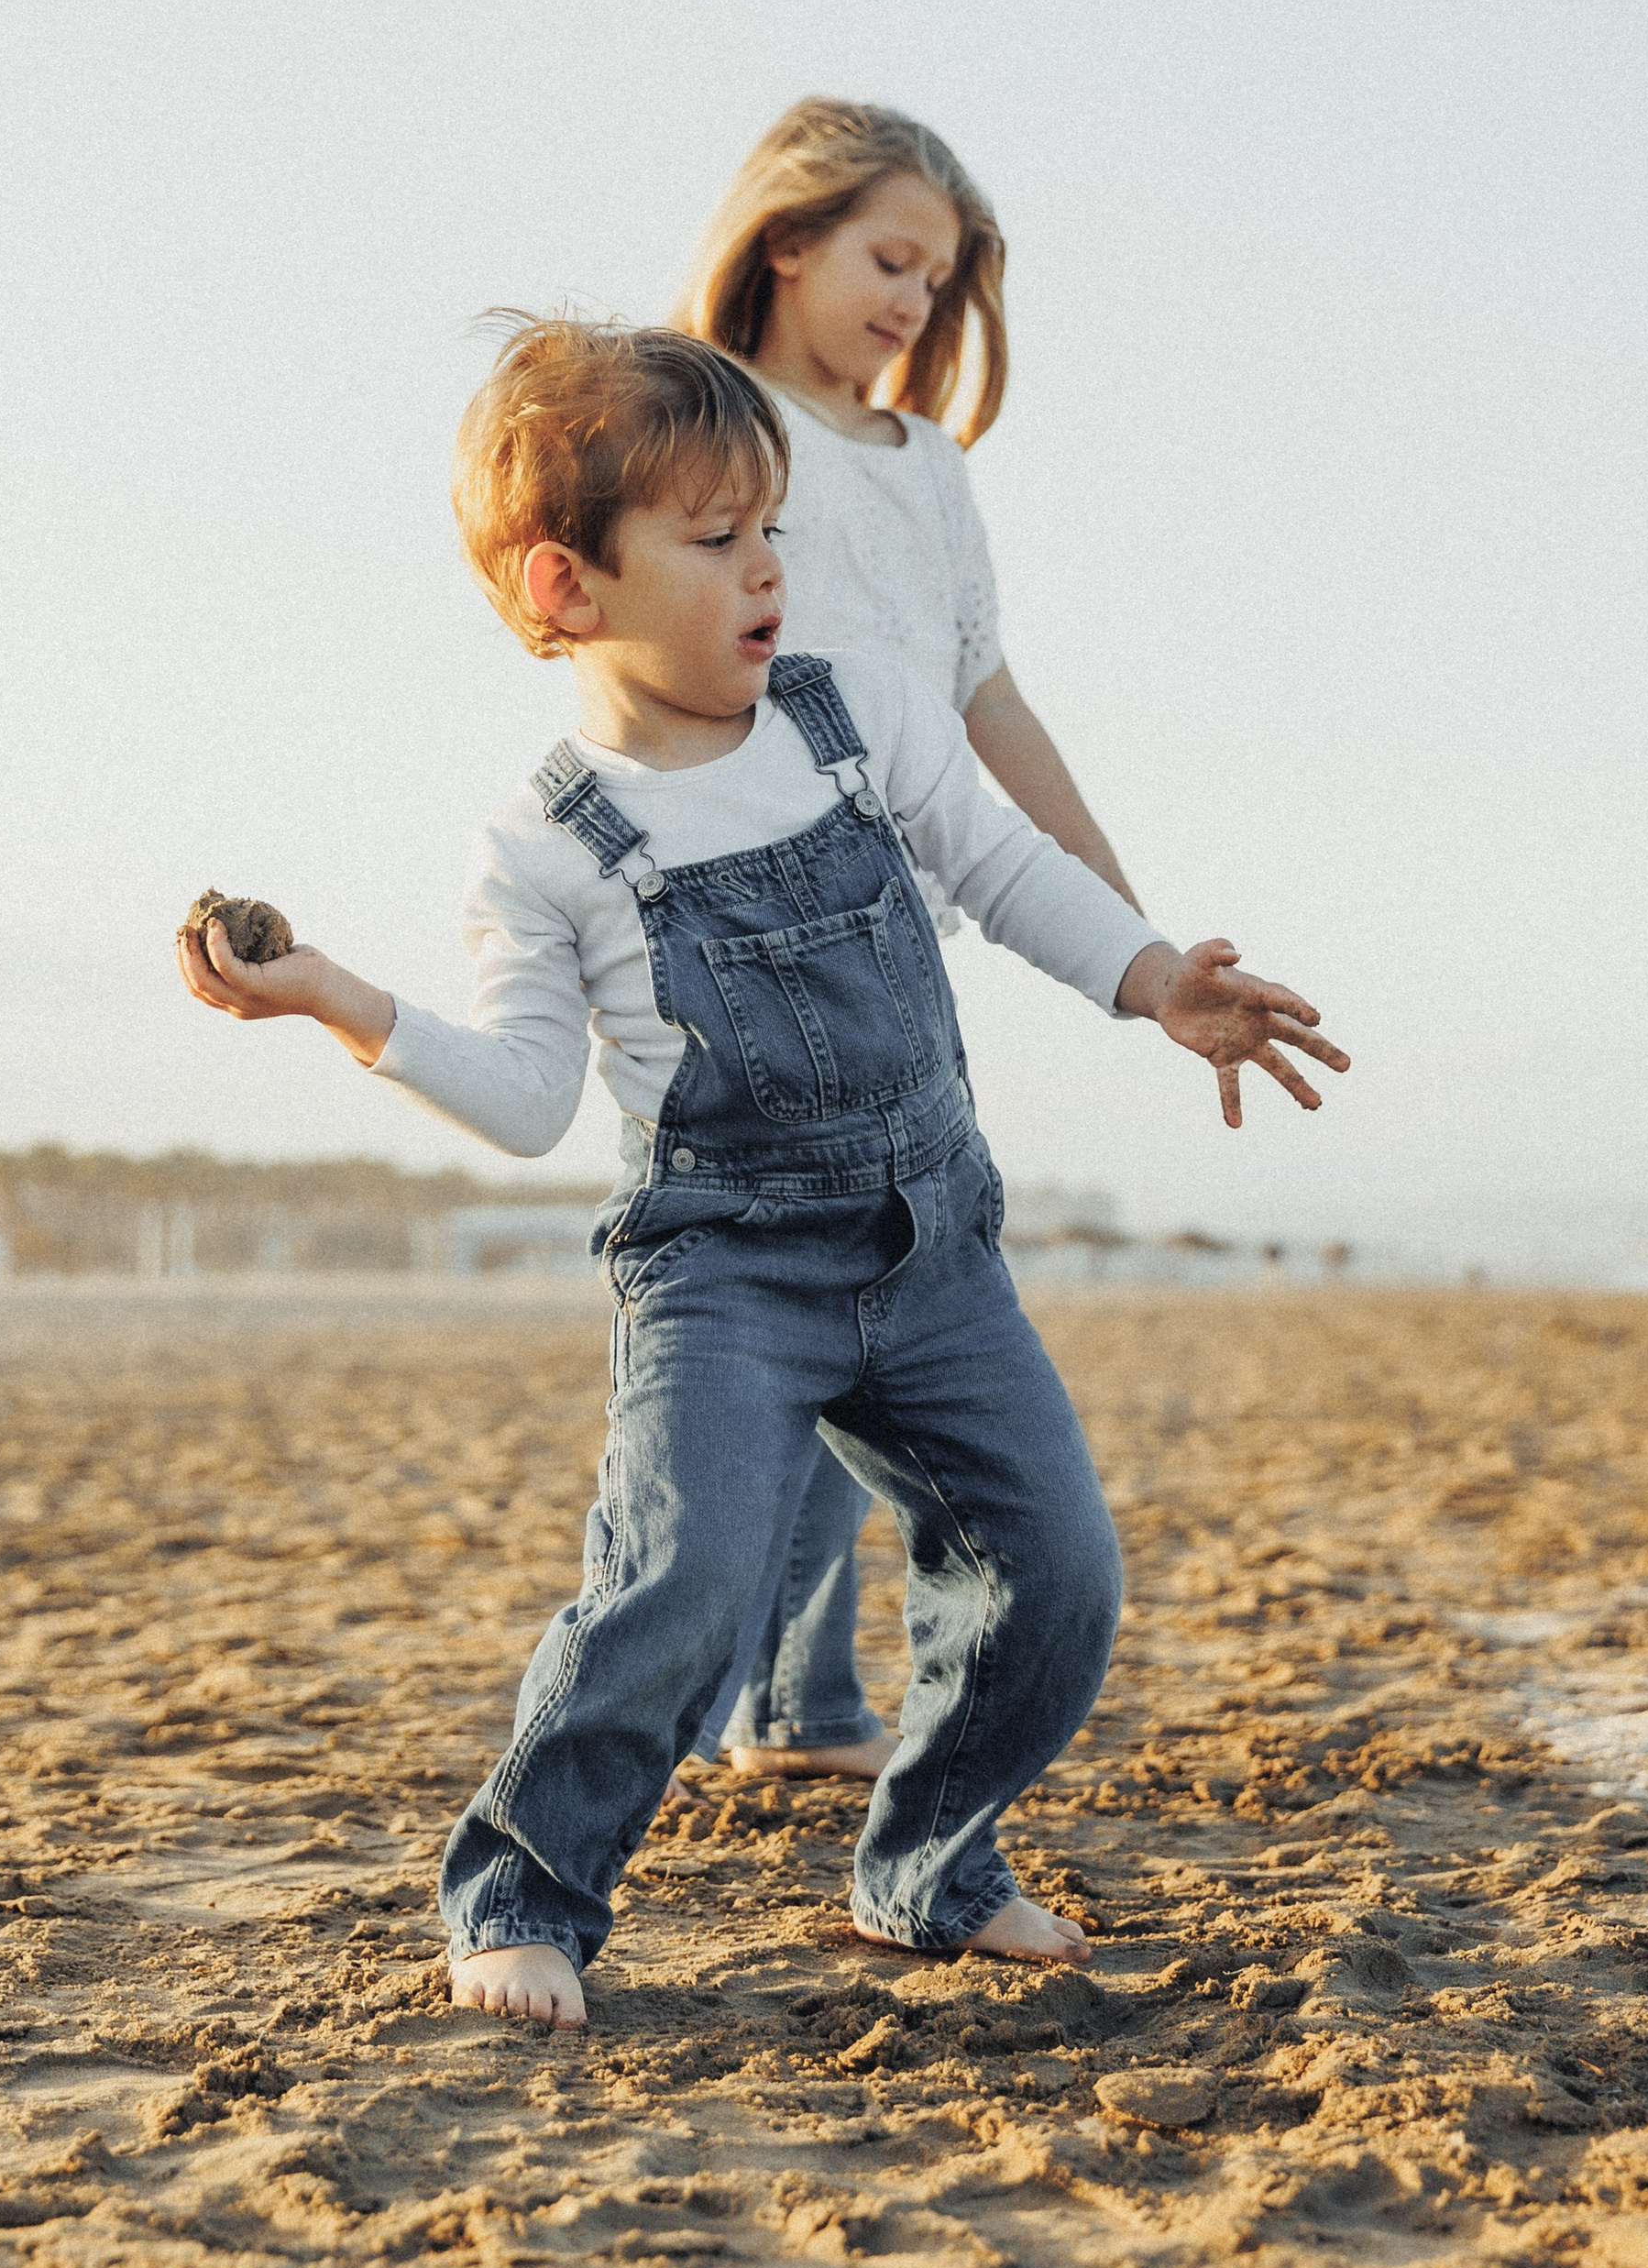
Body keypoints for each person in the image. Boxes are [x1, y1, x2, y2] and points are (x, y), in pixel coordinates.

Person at [178, 317, 1345, 2027]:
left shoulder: (856, 714)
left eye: (773, 527)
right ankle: (523, 1893)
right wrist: (334, 998)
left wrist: (1156, 977)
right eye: (717, 538)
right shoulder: (548, 846)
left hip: (934, 1247)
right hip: (726, 1271)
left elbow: (1003, 865)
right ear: (567, 585)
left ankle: (930, 1863)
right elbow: (525, 1099)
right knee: (685, 1588)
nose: (769, 569)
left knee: (1058, 1570)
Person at [669, 98, 1138, 1784]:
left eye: (937, 283)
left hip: (896, 930)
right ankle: (732, 1694)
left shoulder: (929, 467)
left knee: (872, 1283)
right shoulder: (703, 419)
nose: (913, 305)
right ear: (787, 238)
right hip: (730, 926)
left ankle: (795, 1701)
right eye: (889, 260)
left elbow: (982, 691)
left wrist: (1117, 915)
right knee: (781, 1314)